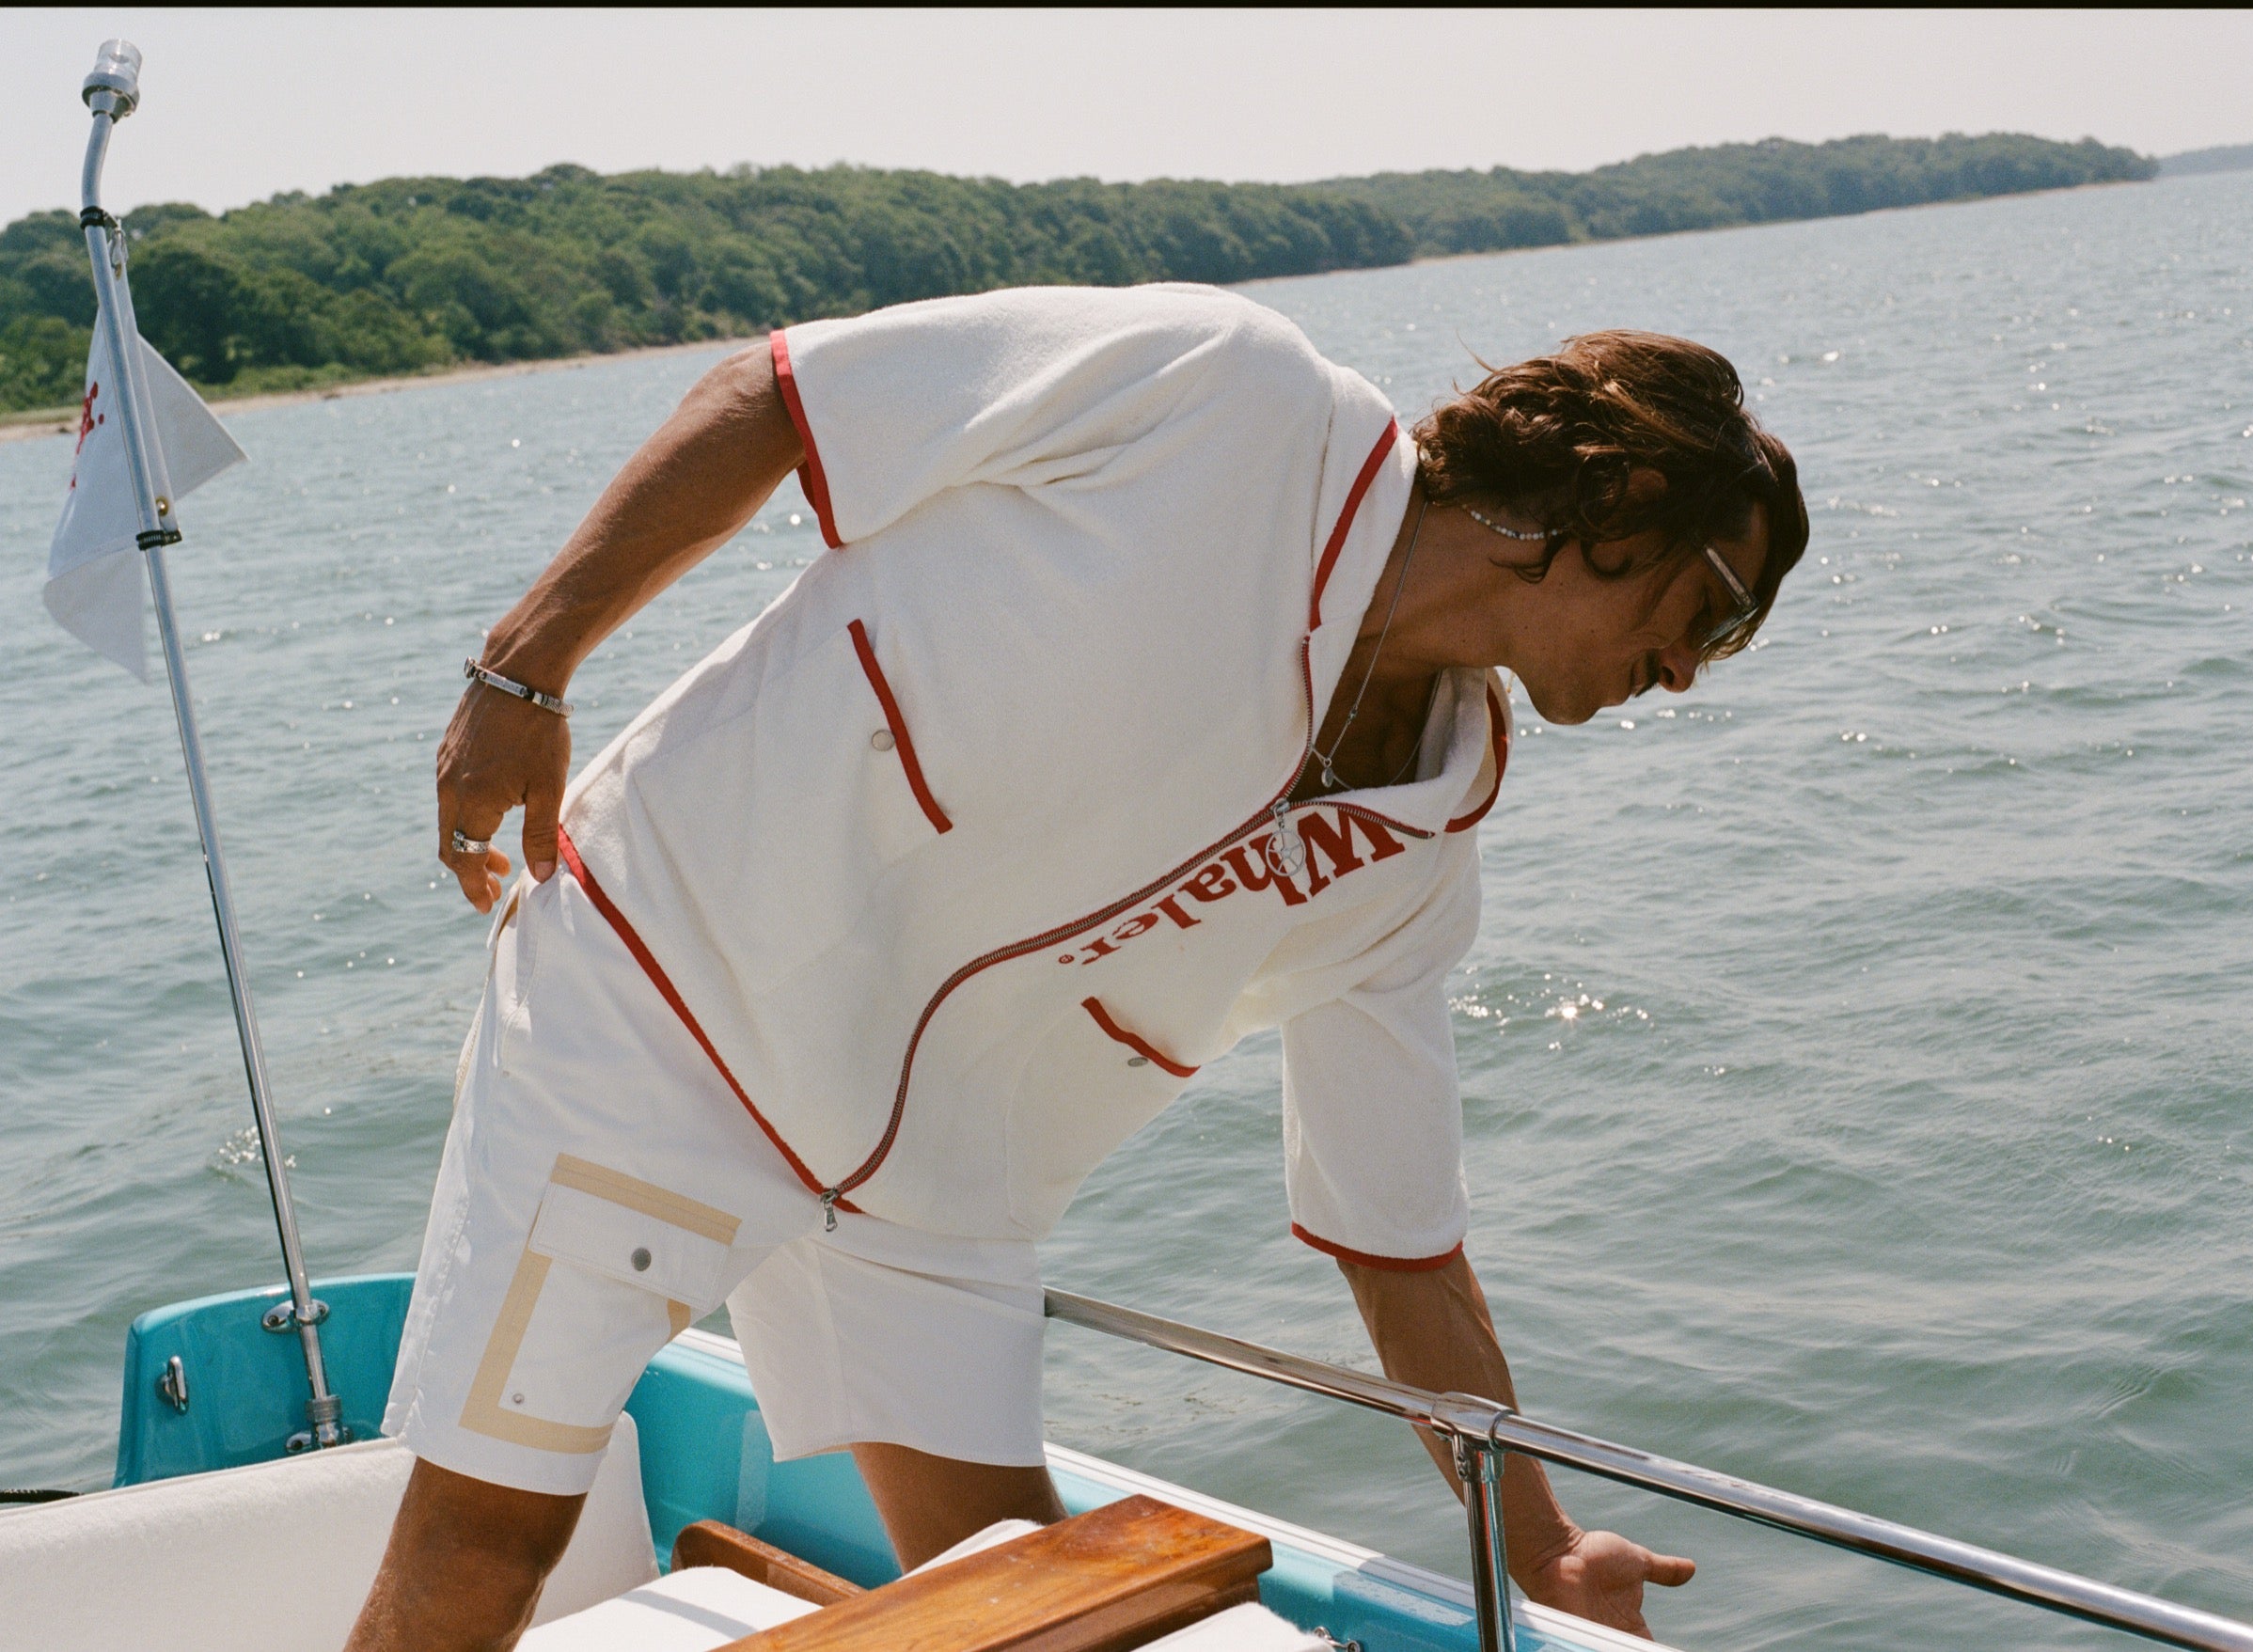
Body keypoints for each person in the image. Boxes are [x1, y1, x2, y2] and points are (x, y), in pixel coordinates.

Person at [348, 282, 1806, 1651]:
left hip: (919, 1192)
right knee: (489, 1548)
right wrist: (524, 668)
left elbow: (1397, 1235)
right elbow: (781, 397)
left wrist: (1538, 1546)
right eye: (1720, 610)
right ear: (1618, 490)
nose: (1693, 670)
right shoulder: (1224, 396)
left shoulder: (1423, 850)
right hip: (661, 1008)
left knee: (1043, 1601)